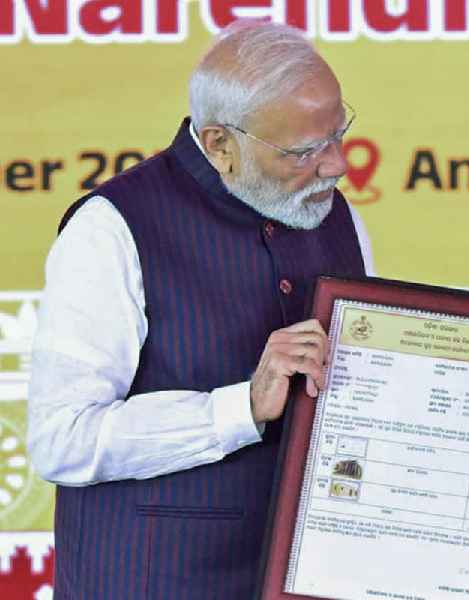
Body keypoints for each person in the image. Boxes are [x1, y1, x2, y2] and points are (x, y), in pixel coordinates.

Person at [26, 21, 374, 600]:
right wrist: (240, 407)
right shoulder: (112, 228)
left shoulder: (340, 217)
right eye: (307, 150)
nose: (337, 164)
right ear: (219, 144)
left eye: (340, 134)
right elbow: (62, 439)